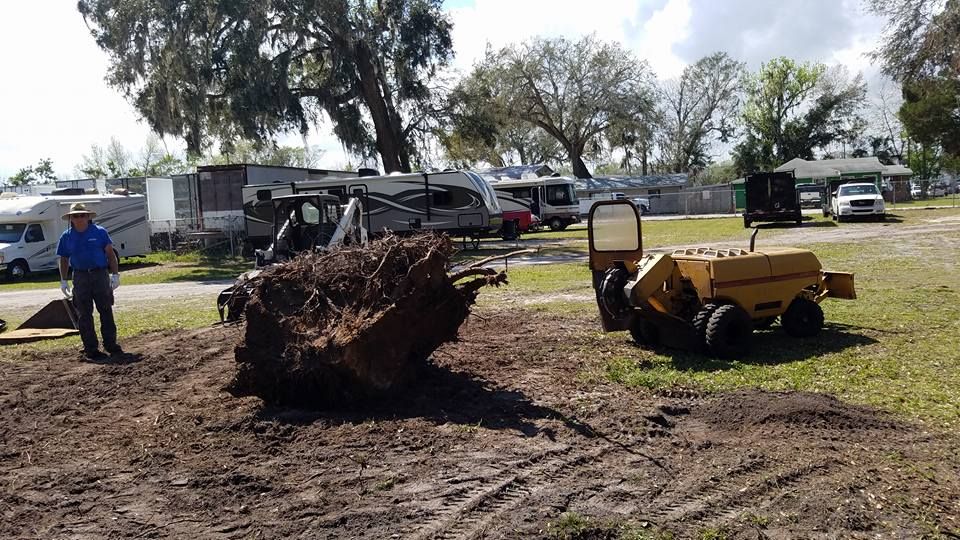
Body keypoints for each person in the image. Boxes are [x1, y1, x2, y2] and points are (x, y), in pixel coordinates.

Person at [57, 202, 122, 359]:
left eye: (82, 215)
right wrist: (63, 280)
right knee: (84, 314)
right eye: (75, 216)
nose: (79, 218)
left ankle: (110, 344)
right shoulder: (66, 237)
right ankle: (91, 348)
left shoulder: (100, 232)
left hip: (100, 275)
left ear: (88, 217)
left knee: (105, 309)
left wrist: (115, 274)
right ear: (71, 219)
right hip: (80, 277)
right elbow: (64, 258)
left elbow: (110, 254)